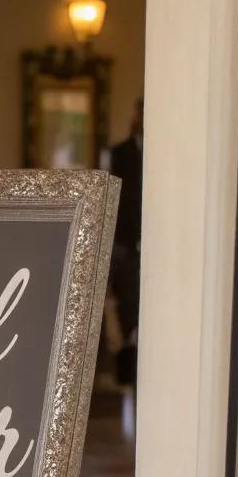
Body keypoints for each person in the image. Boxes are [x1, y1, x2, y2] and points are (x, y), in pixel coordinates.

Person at [105, 97, 143, 387]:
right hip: (125, 248)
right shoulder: (118, 154)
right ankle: (126, 382)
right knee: (125, 317)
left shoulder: (168, 154)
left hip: (152, 247)